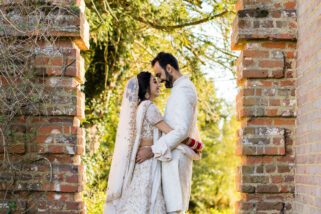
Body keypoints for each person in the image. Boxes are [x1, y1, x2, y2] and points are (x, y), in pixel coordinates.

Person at [104, 71, 201, 214]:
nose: (159, 84)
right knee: (148, 199)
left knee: (138, 197)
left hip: (141, 159)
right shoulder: (149, 107)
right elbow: (172, 132)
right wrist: (192, 142)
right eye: (154, 82)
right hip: (148, 160)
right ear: (146, 88)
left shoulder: (140, 107)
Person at [136, 52, 201, 214]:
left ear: (169, 68)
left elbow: (181, 130)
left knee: (175, 209)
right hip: (172, 157)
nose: (159, 80)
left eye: (159, 74)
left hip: (177, 159)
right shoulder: (179, 89)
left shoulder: (183, 90)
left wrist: (152, 150)